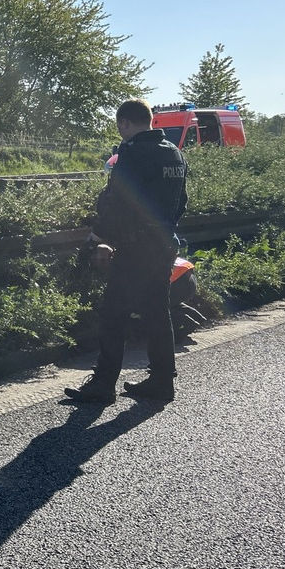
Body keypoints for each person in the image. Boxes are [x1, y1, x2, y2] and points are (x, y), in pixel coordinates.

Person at [65, 99, 188, 403]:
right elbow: (181, 201)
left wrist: (99, 236)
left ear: (124, 123)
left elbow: (116, 202)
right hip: (163, 245)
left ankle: (103, 385)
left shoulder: (132, 154)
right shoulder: (174, 153)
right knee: (158, 313)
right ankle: (162, 382)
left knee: (112, 315)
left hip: (135, 248)